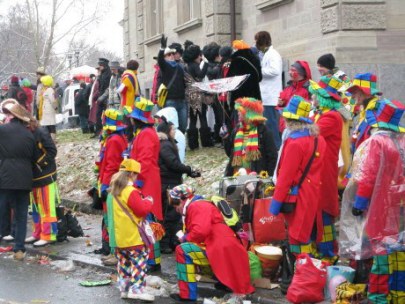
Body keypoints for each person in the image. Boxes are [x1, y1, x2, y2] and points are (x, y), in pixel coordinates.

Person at [338, 99, 405, 303]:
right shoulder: (399, 142)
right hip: (395, 205)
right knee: (396, 248)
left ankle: (377, 296)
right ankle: (398, 292)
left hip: (377, 206)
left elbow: (367, 176)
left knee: (380, 250)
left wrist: (359, 203)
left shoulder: (377, 142)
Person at [168, 184, 255, 302]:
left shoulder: (196, 206)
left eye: (176, 204)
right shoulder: (201, 203)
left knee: (182, 250)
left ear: (183, 200)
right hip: (224, 245)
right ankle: (222, 283)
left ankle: (187, 295)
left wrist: (184, 238)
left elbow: (200, 231)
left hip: (219, 246)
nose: (176, 208)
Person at [270, 96, 326, 257]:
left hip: (297, 196)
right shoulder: (318, 139)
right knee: (306, 231)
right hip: (313, 191)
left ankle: (302, 271)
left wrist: (275, 204)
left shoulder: (295, 143)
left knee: (297, 236)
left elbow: (285, 178)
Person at [107, 158, 155, 302]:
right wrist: (149, 201)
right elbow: (141, 210)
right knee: (139, 264)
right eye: (136, 175)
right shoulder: (130, 191)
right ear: (132, 174)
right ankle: (137, 290)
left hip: (119, 238)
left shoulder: (112, 192)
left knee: (124, 264)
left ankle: (125, 289)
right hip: (133, 237)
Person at [309, 75, 345, 264]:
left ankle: (328, 252)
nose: (312, 98)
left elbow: (311, 132)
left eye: (315, 95)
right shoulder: (322, 114)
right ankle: (320, 248)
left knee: (324, 210)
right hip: (318, 170)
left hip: (325, 171)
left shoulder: (330, 117)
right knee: (316, 209)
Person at [156, 119, 200, 254]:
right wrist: (189, 169)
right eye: (173, 129)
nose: (175, 131)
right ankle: (165, 243)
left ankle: (173, 241)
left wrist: (189, 171)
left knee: (173, 214)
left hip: (170, 183)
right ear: (167, 131)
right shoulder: (165, 145)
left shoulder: (166, 144)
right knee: (170, 214)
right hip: (169, 185)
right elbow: (173, 164)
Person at [0, 99, 37, 261]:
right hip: (24, 177)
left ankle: (4, 235)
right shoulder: (29, 135)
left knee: (3, 208)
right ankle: (19, 249)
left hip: (6, 176)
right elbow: (34, 157)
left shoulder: (3, 130)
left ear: (11, 117)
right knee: (21, 214)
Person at [128, 98, 162, 272]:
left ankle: (152, 261)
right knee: (145, 222)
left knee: (148, 221)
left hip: (146, 181)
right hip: (144, 179)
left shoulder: (147, 134)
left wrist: (137, 180)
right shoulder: (143, 132)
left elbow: (145, 160)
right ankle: (150, 259)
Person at [95, 109, 128, 266]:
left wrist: (105, 186)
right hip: (110, 182)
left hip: (111, 185)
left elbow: (112, 165)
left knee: (112, 221)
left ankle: (116, 253)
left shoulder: (114, 140)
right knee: (111, 220)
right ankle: (113, 251)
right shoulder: (115, 138)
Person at [25, 118, 59, 247]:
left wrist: (39, 165)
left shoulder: (41, 132)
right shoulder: (26, 133)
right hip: (32, 177)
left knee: (46, 207)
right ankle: (37, 232)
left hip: (45, 175)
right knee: (35, 208)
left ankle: (49, 234)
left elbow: (52, 151)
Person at [223, 97, 277, 177]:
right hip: (236, 176)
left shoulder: (264, 132)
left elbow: (272, 158)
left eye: (240, 111)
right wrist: (226, 138)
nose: (237, 113)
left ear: (248, 114)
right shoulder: (237, 130)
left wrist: (267, 177)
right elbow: (230, 154)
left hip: (255, 178)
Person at [255, 31, 283, 150]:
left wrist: (259, 71)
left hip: (271, 96)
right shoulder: (266, 54)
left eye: (256, 40)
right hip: (266, 95)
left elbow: (275, 71)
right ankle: (271, 147)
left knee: (272, 125)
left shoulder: (273, 54)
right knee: (268, 124)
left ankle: (276, 148)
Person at [227, 40, 262, 123]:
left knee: (241, 122)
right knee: (254, 121)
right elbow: (260, 78)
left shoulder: (236, 61)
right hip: (254, 98)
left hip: (240, 98)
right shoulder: (255, 59)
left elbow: (230, 79)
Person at [158, 35, 187, 133]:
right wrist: (162, 48)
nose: (172, 56)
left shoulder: (180, 67)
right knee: (171, 127)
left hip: (182, 101)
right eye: (169, 54)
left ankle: (180, 145)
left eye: (173, 54)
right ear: (165, 57)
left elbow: (185, 82)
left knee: (183, 126)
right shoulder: (165, 67)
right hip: (170, 101)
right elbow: (160, 61)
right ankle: (172, 146)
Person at [183, 43, 210, 149]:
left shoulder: (187, 66)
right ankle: (205, 141)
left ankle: (193, 143)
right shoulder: (194, 65)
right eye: (199, 55)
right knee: (202, 117)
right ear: (195, 56)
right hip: (197, 94)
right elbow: (201, 75)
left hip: (189, 94)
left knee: (193, 119)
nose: (200, 57)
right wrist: (206, 64)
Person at [346, 73, 382, 151]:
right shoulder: (366, 111)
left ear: (366, 93)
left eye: (355, 92)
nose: (352, 96)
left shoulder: (374, 114)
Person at [202, 42, 223, 144]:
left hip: (214, 94)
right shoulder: (216, 67)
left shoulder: (210, 66)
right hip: (217, 94)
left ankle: (217, 135)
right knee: (220, 116)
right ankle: (219, 136)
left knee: (218, 116)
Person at [37, 75, 58, 141]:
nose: (42, 83)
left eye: (43, 82)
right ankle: (49, 139)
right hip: (46, 110)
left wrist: (55, 107)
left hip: (49, 110)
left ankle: (52, 139)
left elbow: (53, 100)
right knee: (48, 125)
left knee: (51, 125)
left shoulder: (50, 90)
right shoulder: (45, 90)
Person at [95, 58, 112, 136]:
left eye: (100, 65)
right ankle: (98, 130)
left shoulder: (108, 74)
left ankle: (106, 129)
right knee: (98, 114)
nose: (99, 67)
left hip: (106, 96)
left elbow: (106, 85)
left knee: (106, 113)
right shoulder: (101, 74)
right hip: (101, 95)